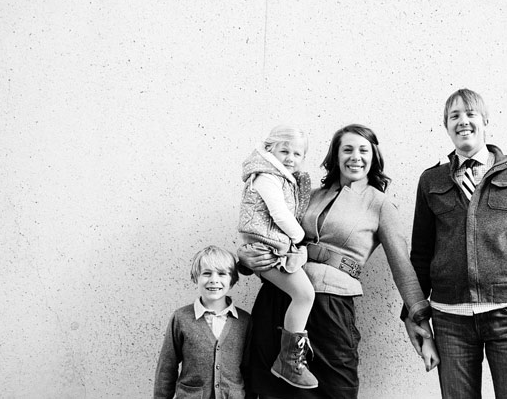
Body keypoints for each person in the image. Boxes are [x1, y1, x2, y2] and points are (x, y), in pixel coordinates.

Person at [240, 124, 438, 399]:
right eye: (347, 149)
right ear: (335, 155)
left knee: (337, 389)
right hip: (279, 297)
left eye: (363, 150)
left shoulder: (380, 205)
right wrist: (245, 260)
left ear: (374, 156)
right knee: (270, 390)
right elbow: (268, 230)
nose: (355, 157)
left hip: (331, 308)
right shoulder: (307, 194)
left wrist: (419, 319)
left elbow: (403, 267)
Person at [403, 88, 507, 399]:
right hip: (450, 321)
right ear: (446, 126)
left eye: (470, 114)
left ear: (485, 121)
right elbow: (420, 255)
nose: (463, 121)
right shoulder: (431, 180)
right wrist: (413, 315)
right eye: (454, 116)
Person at [238, 126, 317, 389]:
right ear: (269, 149)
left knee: (302, 295)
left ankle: (289, 359)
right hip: (266, 248)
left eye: (297, 154)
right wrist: (299, 238)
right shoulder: (267, 176)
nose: (290, 158)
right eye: (285, 151)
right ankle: (288, 361)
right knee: (304, 295)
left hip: (273, 245)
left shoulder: (283, 178)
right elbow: (280, 214)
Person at [154, 245, 251, 399]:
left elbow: (250, 370)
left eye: (222, 274)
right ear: (195, 278)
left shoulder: (245, 321)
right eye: (206, 273)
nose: (214, 280)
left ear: (232, 280)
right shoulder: (181, 318)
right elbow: (166, 368)